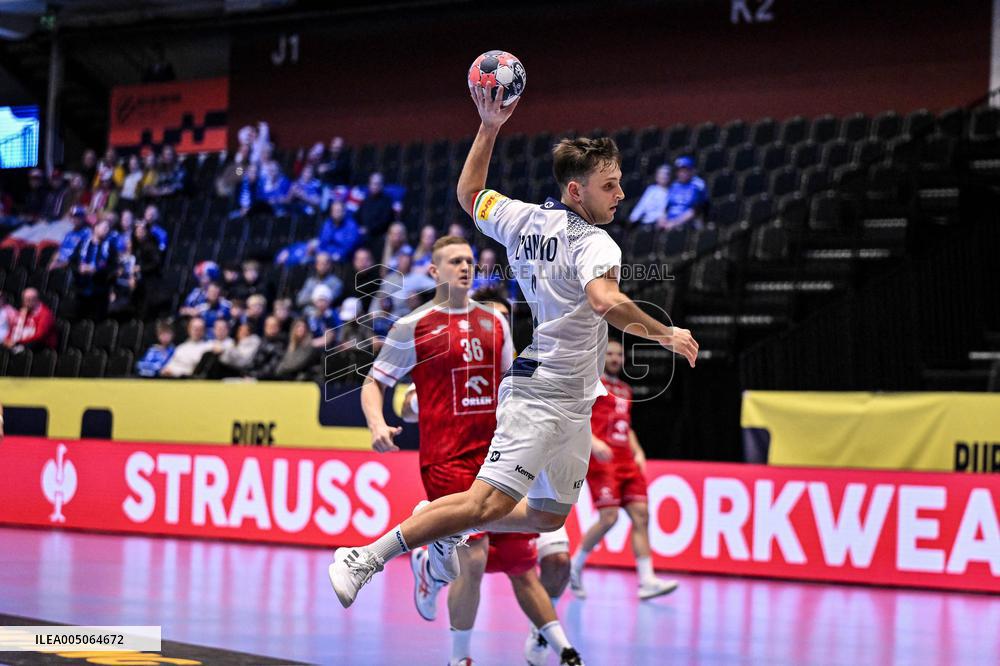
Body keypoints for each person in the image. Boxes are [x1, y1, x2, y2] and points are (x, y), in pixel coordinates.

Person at [328, 82, 699, 666]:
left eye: (621, 182)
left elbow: (469, 191)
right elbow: (604, 301)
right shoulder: (597, 243)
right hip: (542, 393)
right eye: (610, 186)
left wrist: (490, 125)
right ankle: (368, 556)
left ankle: (440, 528)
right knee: (482, 506)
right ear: (576, 191)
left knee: (549, 516)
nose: (621, 194)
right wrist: (665, 332)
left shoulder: (522, 218)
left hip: (574, 401)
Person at [363, 236, 579, 666]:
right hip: (444, 457)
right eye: (454, 261)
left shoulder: (496, 323)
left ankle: (428, 562)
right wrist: (377, 424)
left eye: (468, 260)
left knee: (522, 561)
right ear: (434, 271)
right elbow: (374, 383)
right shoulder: (413, 326)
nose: (465, 266)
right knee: (475, 556)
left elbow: (510, 386)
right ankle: (460, 658)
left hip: (495, 456)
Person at [568, 339, 679, 600]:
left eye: (619, 355)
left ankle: (647, 580)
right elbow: (575, 417)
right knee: (610, 518)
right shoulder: (591, 385)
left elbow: (625, 426)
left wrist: (638, 451)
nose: (616, 359)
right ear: (600, 356)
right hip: (602, 460)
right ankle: (574, 566)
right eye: (610, 354)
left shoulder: (625, 390)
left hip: (626, 460)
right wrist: (593, 442)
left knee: (641, 515)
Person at [664, 156, 707, 229]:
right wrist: (663, 220)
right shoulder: (673, 186)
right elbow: (665, 208)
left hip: (686, 224)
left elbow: (695, 211)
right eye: (679, 171)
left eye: (684, 171)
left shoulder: (697, 186)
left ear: (691, 171)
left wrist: (674, 223)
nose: (681, 174)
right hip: (669, 222)